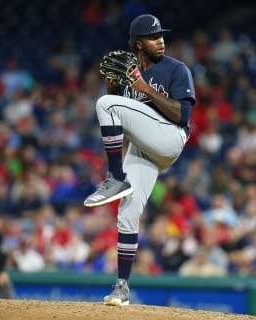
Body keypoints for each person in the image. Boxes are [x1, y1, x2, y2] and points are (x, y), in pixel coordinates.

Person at [83, 13, 195, 306]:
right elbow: (124, 118)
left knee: (105, 105)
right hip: (145, 148)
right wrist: (112, 87)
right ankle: (122, 286)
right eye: (153, 37)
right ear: (138, 44)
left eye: (161, 36)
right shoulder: (130, 77)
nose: (160, 41)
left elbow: (182, 115)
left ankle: (115, 178)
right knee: (128, 212)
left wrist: (143, 90)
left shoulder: (176, 69)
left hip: (171, 138)